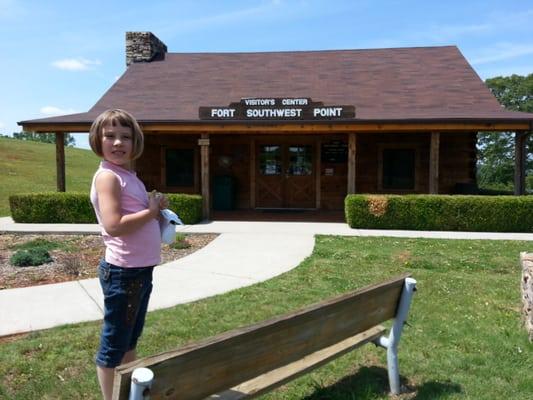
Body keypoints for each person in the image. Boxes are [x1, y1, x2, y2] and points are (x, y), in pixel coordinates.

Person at [89, 109, 167, 400]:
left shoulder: (128, 176)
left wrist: (158, 213)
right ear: (98, 140)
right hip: (124, 272)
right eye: (110, 136)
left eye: (126, 136)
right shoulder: (108, 177)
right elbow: (114, 225)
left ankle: (129, 393)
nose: (118, 142)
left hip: (140, 270)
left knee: (130, 339)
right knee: (114, 345)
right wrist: (151, 212)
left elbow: (140, 218)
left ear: (136, 142)